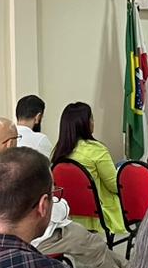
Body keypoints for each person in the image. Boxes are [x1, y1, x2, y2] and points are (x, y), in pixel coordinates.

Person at [0, 118, 127, 268]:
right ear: (9, 144)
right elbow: (47, 213)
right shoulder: (12, 174)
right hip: (23, 241)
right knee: (89, 242)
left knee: (95, 245)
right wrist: (63, 207)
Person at [51, 102, 126, 239]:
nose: (93, 122)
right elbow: (115, 186)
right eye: (91, 118)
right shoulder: (96, 150)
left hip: (70, 215)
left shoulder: (57, 153)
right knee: (124, 166)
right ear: (85, 123)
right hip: (99, 216)